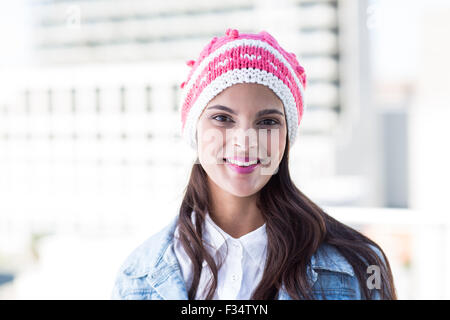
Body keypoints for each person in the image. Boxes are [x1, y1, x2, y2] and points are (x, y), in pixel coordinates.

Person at [111, 28, 397, 300]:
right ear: (193, 127)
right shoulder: (137, 278)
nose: (244, 141)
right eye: (222, 118)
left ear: (288, 135)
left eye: (267, 122)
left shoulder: (360, 267)